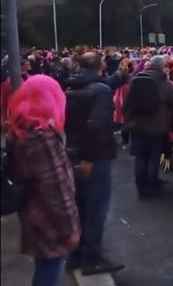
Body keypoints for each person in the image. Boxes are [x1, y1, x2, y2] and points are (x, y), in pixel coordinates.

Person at [7, 75, 80, 286]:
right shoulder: (42, 137)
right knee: (50, 269)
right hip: (48, 218)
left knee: (45, 265)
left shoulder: (20, 127)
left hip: (32, 212)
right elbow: (56, 187)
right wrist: (70, 228)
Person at [63, 52, 126, 275]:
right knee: (96, 208)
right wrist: (89, 158)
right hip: (94, 158)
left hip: (72, 153)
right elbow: (96, 126)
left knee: (79, 206)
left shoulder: (71, 86)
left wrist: (120, 74)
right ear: (100, 64)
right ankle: (93, 258)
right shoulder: (100, 91)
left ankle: (76, 254)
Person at [123, 56, 173, 198]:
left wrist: (129, 120)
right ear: (161, 67)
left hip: (136, 126)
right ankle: (152, 186)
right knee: (153, 157)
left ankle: (141, 187)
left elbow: (126, 104)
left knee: (140, 157)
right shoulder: (165, 83)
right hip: (157, 127)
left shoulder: (134, 81)